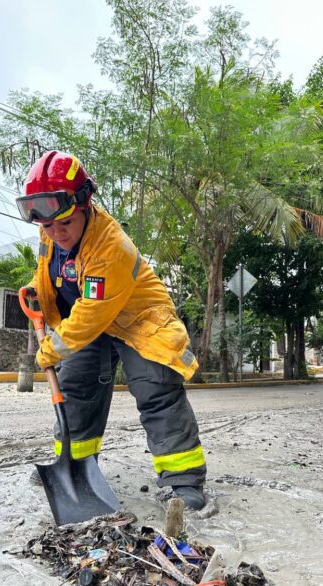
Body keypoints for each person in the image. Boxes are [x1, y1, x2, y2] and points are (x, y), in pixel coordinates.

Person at [16, 150, 207, 510]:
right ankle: (75, 469)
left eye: (65, 224)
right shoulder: (50, 231)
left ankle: (184, 482)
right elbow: (57, 272)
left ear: (84, 205)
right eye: (48, 227)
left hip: (138, 322)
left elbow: (93, 312)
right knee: (76, 389)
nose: (56, 233)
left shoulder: (111, 246)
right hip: (88, 322)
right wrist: (36, 287)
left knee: (156, 391)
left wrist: (51, 350)